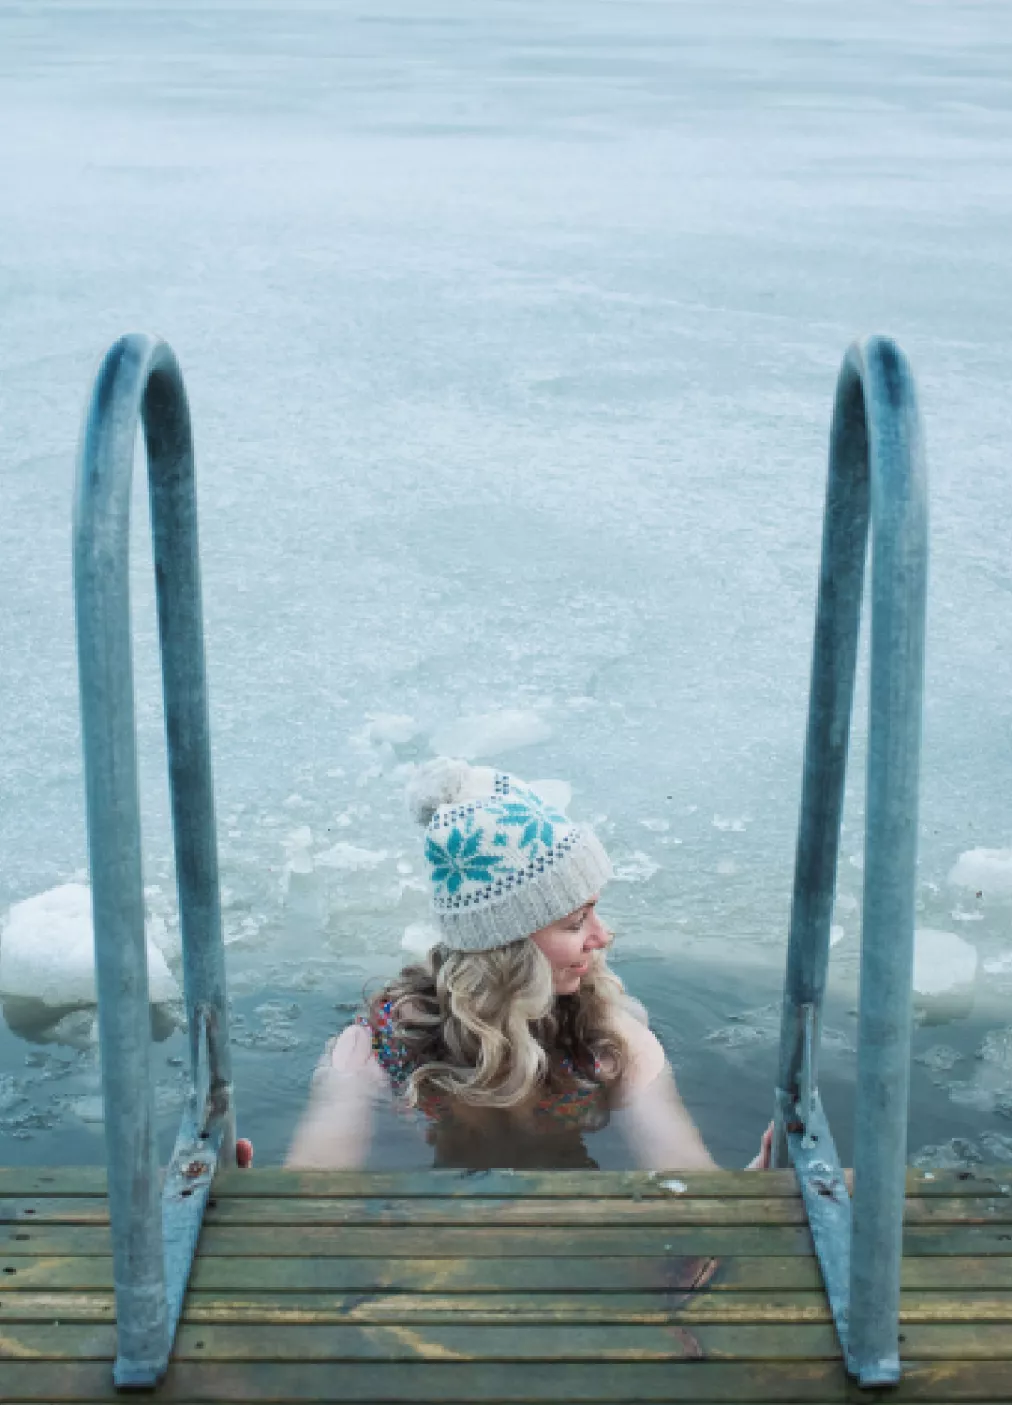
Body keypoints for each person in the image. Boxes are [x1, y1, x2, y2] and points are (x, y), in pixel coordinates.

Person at [286, 758, 774, 1172]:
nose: (603, 937)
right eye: (574, 923)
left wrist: (743, 1191)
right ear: (505, 950)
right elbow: (309, 1189)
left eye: (593, 912)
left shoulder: (608, 1041)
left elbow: (685, 1174)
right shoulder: (381, 1046)